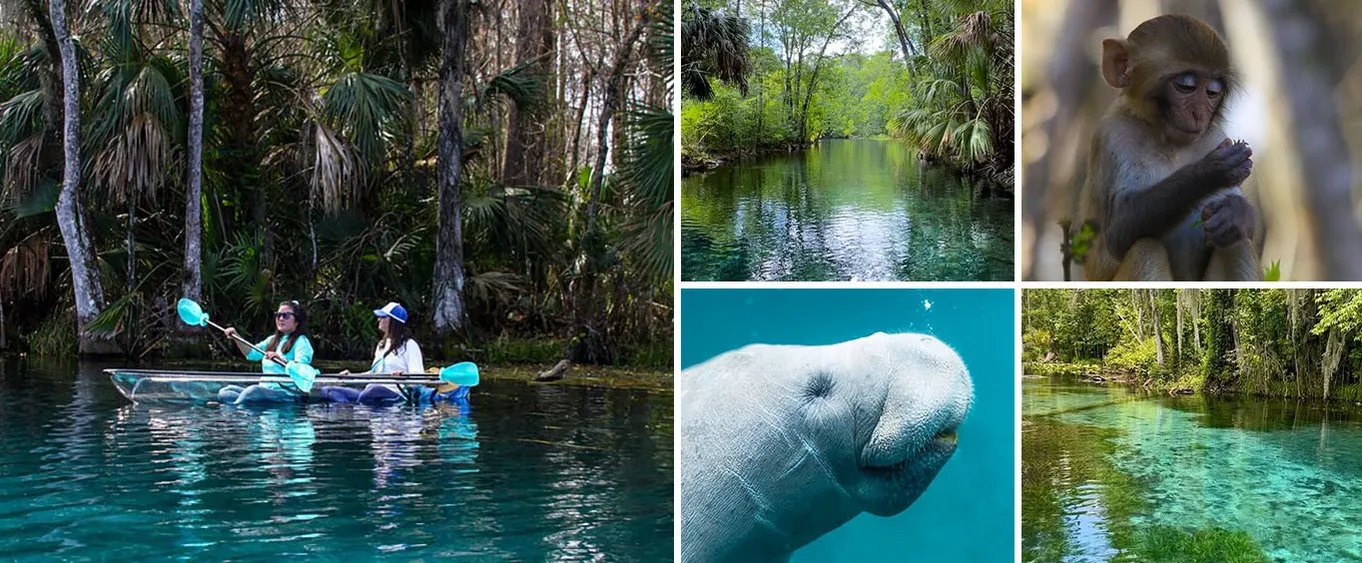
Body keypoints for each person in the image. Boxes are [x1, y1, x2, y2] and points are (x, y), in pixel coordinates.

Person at [322, 302, 423, 405]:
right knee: (328, 391)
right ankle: (348, 410)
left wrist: (403, 377)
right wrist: (351, 376)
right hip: (369, 393)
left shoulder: (410, 345)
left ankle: (357, 409)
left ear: (393, 321)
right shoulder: (381, 345)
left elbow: (418, 378)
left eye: (383, 317)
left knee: (373, 391)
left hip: (395, 393)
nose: (379, 319)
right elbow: (374, 374)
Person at [217, 300, 315, 404]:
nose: (280, 319)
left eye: (286, 315)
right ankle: (238, 403)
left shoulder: (302, 342)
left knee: (253, 391)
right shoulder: (272, 340)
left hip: (287, 394)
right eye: (278, 315)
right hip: (263, 391)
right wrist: (236, 337)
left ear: (297, 320)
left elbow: (302, 370)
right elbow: (251, 354)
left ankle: (235, 407)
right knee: (225, 391)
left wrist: (281, 361)